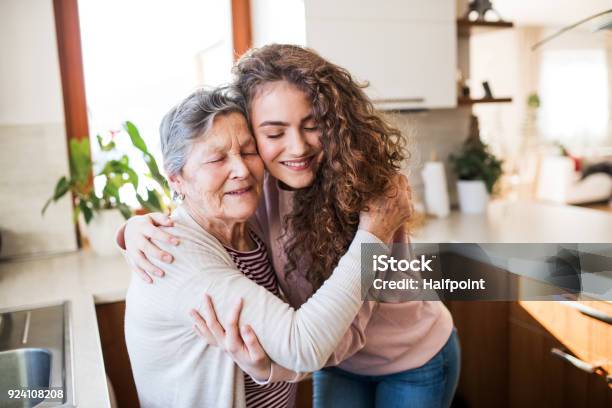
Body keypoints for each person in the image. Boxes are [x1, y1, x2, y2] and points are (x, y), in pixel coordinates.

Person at [119, 44, 460, 408]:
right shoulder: (253, 190)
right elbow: (197, 210)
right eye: (274, 133)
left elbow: (349, 331)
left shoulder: (367, 194)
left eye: (311, 126)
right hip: (332, 362)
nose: (296, 147)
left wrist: (271, 367)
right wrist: (131, 231)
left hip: (409, 356)